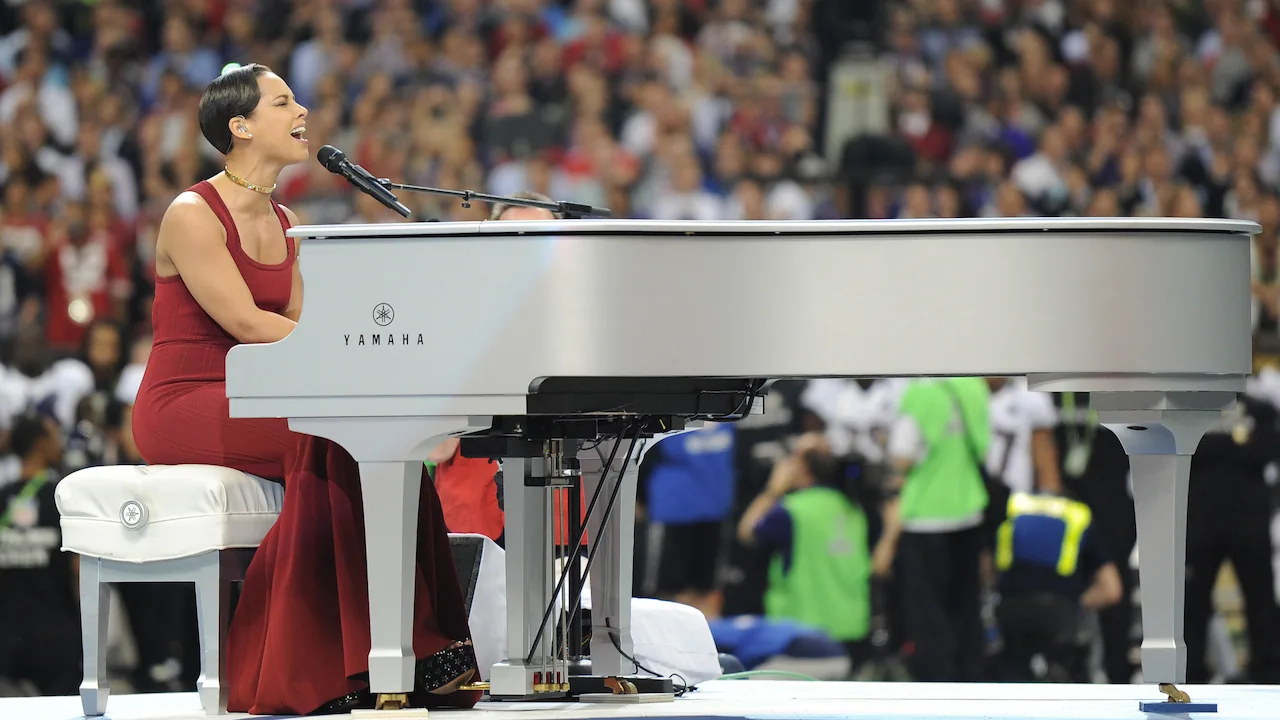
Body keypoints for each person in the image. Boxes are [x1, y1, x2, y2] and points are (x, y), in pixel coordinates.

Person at [129, 64, 480, 716]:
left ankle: (416, 648)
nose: (304, 112)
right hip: (185, 400)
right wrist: (352, 366)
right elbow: (246, 322)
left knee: (383, 438)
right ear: (240, 126)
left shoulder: (286, 217)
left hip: (260, 389)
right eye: (283, 102)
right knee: (331, 432)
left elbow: (296, 323)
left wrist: (368, 361)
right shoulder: (190, 214)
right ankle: (320, 661)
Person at [875, 377, 991, 682]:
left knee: (928, 615)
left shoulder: (919, 394)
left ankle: (938, 686)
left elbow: (903, 456)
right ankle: (971, 681)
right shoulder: (974, 388)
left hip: (926, 516)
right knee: (966, 608)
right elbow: (984, 445)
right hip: (968, 509)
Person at [737, 432, 872, 668]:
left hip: (802, 631)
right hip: (851, 626)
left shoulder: (792, 510)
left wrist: (773, 489)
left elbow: (746, 532)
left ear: (802, 467)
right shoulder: (853, 509)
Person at [992, 491, 1122, 682]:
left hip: (1009, 614)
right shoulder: (1078, 515)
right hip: (1060, 616)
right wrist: (1076, 604)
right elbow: (1112, 590)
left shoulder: (1012, 507)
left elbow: (986, 566)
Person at [0, 412, 79, 697]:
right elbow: (79, 569)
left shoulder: (2, 497)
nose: (59, 444)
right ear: (39, 444)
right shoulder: (61, 499)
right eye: (53, 437)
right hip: (55, 640)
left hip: (7, 638)